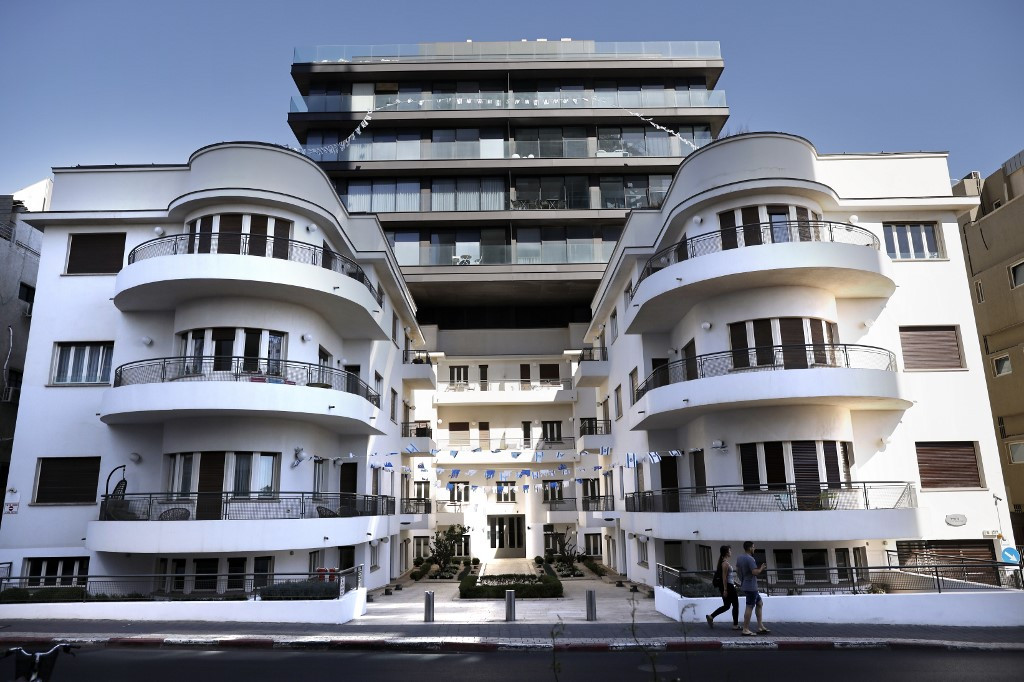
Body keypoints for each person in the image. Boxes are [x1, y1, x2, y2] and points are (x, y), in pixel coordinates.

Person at [735, 540, 770, 636]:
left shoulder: (740, 557)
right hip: (751, 587)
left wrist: (743, 579)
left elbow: (737, 570)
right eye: (753, 547)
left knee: (759, 603)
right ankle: (745, 629)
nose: (754, 549)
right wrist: (761, 568)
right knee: (749, 606)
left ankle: (760, 626)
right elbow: (755, 572)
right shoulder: (750, 559)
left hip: (746, 584)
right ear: (750, 548)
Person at [706, 545, 740, 630]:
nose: (731, 552)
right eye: (730, 550)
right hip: (728, 586)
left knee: (727, 606)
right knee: (735, 605)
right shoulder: (725, 563)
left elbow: (729, 576)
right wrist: (725, 590)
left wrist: (736, 583)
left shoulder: (724, 562)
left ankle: (711, 616)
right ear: (726, 552)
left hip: (728, 585)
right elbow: (724, 577)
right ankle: (735, 625)